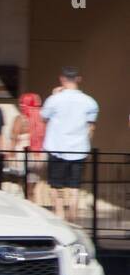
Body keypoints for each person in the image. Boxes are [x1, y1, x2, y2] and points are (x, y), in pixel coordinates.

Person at [41, 66, 98, 223]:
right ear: (78, 79)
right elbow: (91, 127)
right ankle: (73, 219)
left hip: (57, 147)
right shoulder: (90, 102)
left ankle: (60, 217)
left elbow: (44, 118)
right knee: (74, 187)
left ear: (62, 79)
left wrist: (54, 95)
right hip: (79, 148)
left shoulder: (54, 100)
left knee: (55, 185)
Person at [11, 91, 46, 202]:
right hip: (37, 156)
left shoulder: (20, 119)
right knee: (31, 186)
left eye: (23, 102)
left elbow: (14, 138)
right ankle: (32, 203)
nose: (21, 104)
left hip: (23, 155)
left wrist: (10, 153)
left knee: (23, 186)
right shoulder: (40, 120)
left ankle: (26, 204)